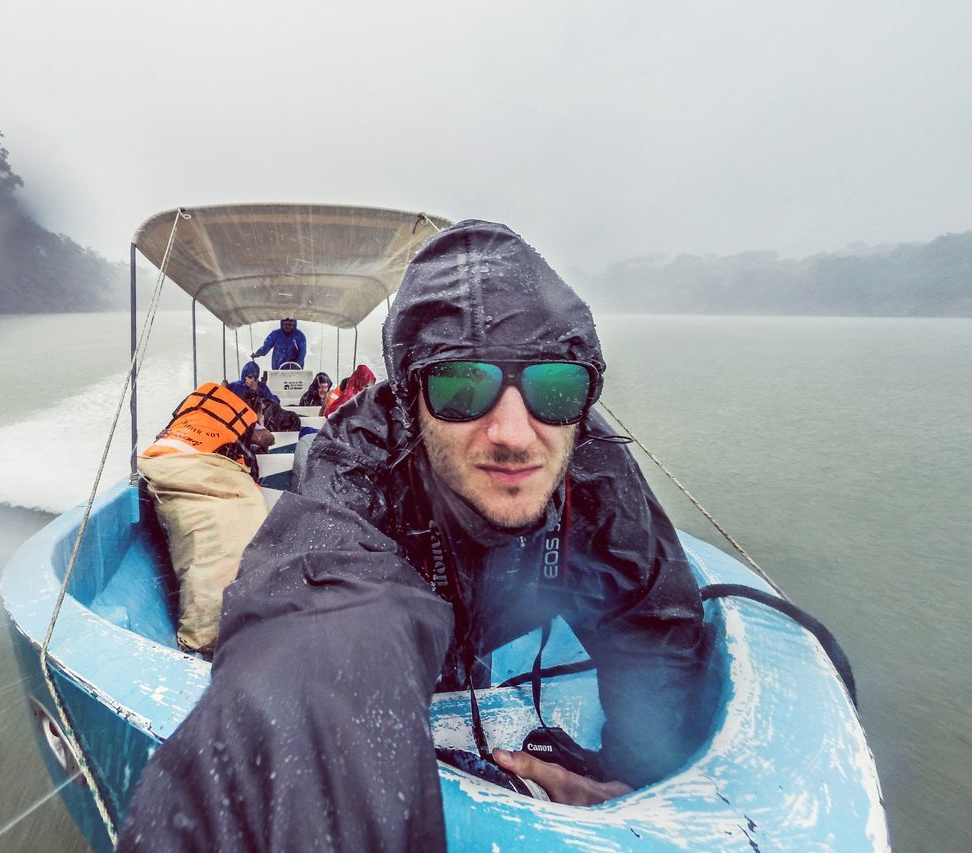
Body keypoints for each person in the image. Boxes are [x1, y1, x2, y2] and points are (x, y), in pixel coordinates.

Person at [119, 221, 704, 849]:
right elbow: (322, 613)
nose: (513, 433)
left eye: (553, 387)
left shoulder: (594, 467)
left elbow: (651, 629)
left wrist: (630, 787)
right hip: (394, 640)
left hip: (497, 622)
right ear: (408, 397)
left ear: (585, 396)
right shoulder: (357, 460)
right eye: (462, 387)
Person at [135, 381, 273, 655]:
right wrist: (258, 426)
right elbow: (265, 441)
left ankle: (207, 629)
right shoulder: (241, 417)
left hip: (156, 468)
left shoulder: (189, 412)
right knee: (252, 516)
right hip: (198, 473)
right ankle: (212, 634)